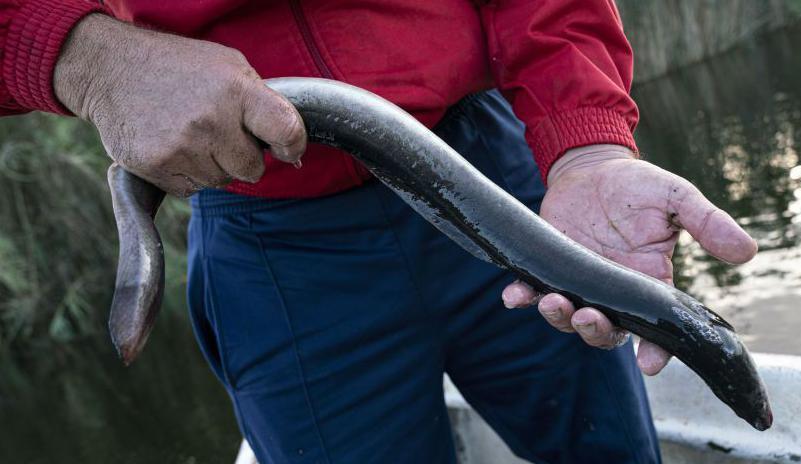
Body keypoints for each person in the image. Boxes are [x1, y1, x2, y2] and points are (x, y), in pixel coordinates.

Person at [0, 1, 758, 463]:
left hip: (486, 171)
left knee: (607, 449)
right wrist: (84, 55)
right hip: (271, 234)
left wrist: (586, 142)